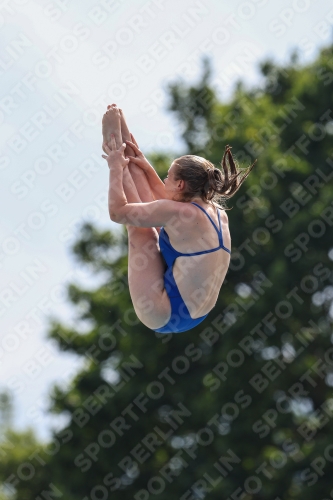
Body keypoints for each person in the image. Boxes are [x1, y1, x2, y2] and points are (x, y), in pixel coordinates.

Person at [101, 104, 255, 334]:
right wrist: (142, 163)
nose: (163, 180)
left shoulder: (179, 212)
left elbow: (117, 213)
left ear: (181, 184)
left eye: (167, 176)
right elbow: (167, 202)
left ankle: (116, 147)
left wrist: (115, 166)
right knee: (149, 216)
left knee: (142, 231)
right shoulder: (217, 214)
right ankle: (122, 147)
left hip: (163, 312)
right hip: (194, 314)